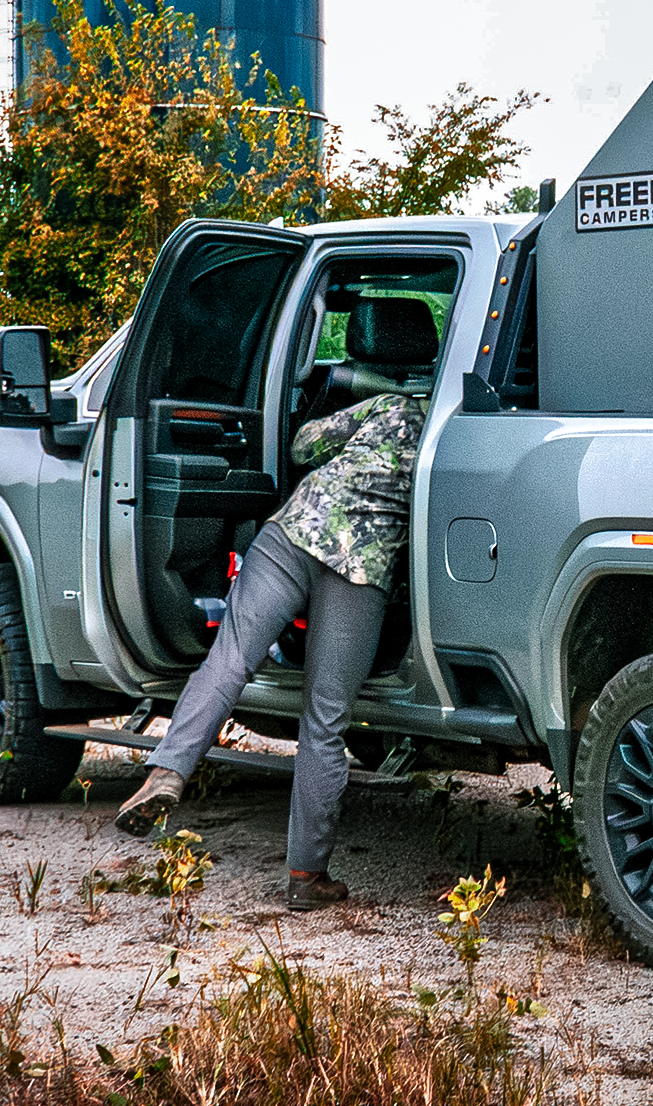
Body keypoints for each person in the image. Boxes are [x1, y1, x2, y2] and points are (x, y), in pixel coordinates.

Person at [115, 386, 426, 911]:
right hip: (362, 564)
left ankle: (168, 772)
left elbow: (304, 444)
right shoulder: (452, 429)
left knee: (230, 659)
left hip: (293, 531)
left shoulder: (393, 405)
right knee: (325, 720)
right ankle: (306, 878)